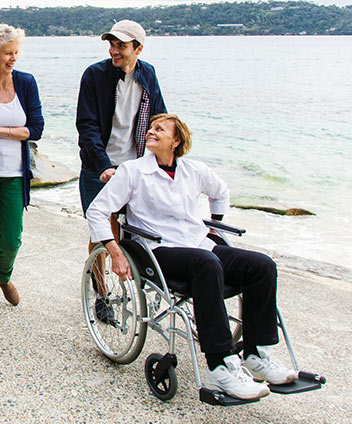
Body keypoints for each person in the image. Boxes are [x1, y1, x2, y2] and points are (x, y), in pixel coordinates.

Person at [86, 114, 298, 401]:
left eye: (159, 129)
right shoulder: (132, 171)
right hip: (158, 252)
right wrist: (114, 251)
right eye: (150, 128)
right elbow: (97, 211)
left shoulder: (193, 170)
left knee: (262, 266)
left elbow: (221, 191)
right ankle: (220, 365)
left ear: (176, 141)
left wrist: (214, 225)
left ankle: (256, 355)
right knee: (207, 264)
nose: (151, 132)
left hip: (198, 244)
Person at [75, 20, 166, 320]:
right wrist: (103, 166)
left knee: (136, 230)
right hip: (97, 167)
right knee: (103, 229)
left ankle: (139, 286)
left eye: (121, 46)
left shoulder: (147, 74)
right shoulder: (95, 75)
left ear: (138, 49)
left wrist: (167, 158)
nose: (114, 51)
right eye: (111, 45)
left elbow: (160, 119)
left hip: (134, 166)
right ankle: (101, 293)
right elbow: (86, 127)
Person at [0, 24, 44, 328]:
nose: (13, 58)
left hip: (15, 175)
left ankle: (2, 275)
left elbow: (37, 129)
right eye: (7, 53)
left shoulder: (26, 84)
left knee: (12, 239)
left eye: (16, 52)